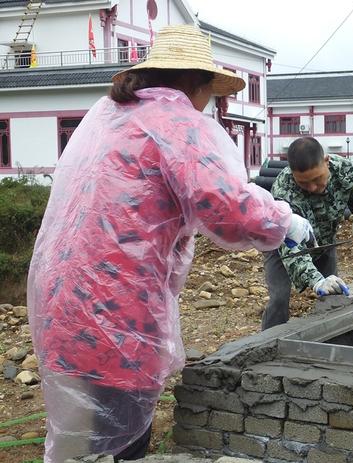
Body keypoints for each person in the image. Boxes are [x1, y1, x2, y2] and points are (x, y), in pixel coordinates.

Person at [27, 25, 315, 463]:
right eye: (210, 93)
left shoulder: (109, 113)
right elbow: (227, 208)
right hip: (117, 308)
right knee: (120, 441)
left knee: (87, 435)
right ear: (196, 84)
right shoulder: (176, 124)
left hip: (63, 301)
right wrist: (285, 220)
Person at [262, 137, 353, 330]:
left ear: (326, 161)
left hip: (324, 243)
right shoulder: (284, 189)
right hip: (284, 247)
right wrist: (316, 281)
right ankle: (268, 341)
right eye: (304, 183)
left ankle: (331, 337)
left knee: (334, 295)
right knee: (279, 299)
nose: (313, 187)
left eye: (317, 179)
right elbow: (291, 247)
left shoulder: (345, 172)